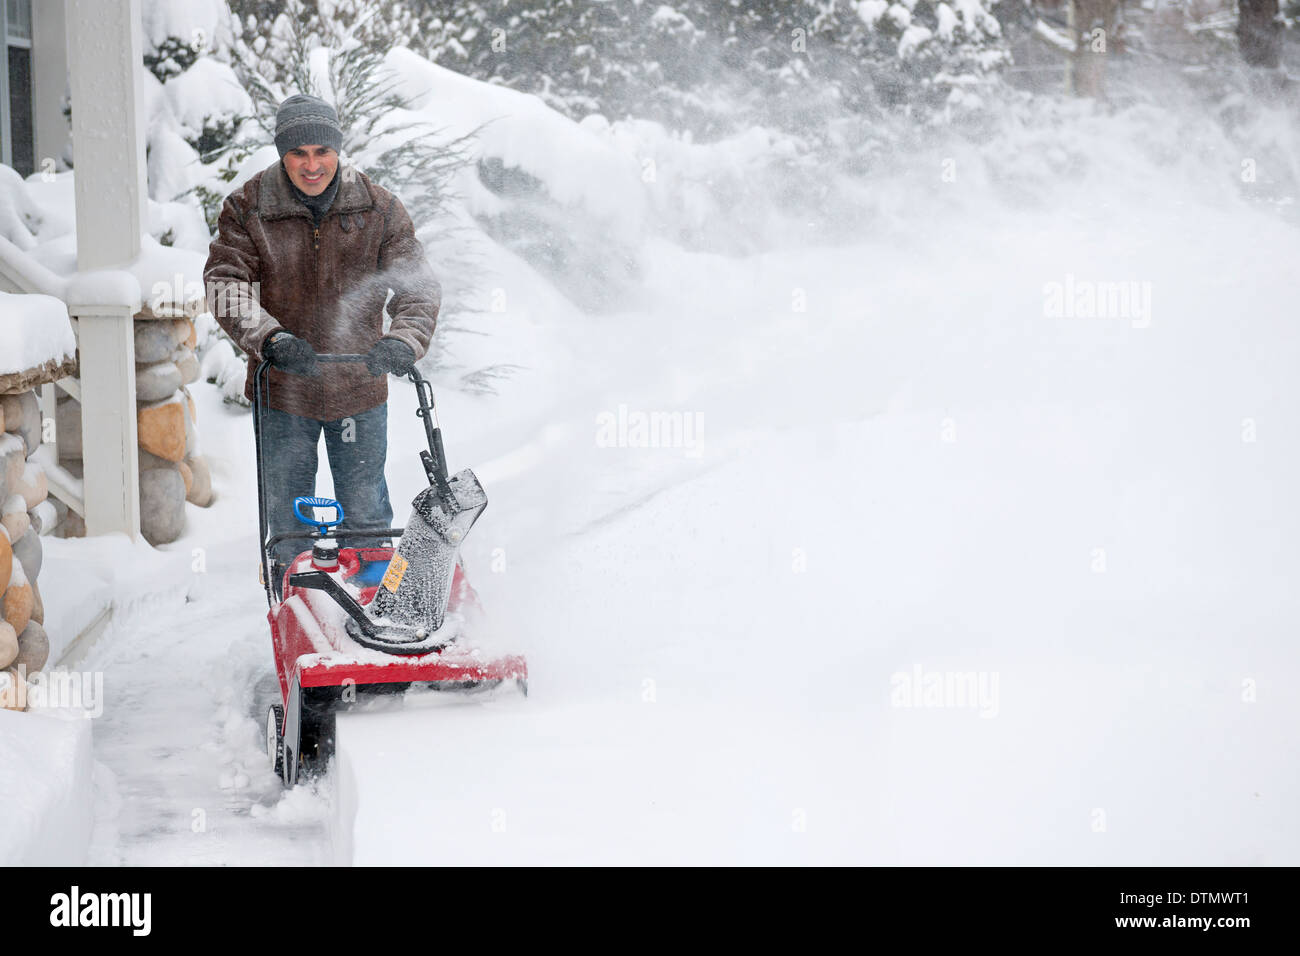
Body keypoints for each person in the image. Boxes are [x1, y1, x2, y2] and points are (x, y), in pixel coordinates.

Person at [203, 94, 438, 572]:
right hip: (284, 390)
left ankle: (376, 602)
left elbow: (419, 286)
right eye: (298, 153)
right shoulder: (250, 208)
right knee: (290, 519)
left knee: (368, 514)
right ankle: (296, 604)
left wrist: (402, 339)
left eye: (322, 152)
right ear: (281, 153)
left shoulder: (377, 208)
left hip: (358, 388)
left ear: (338, 150)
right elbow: (226, 285)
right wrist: (271, 339)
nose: (312, 166)